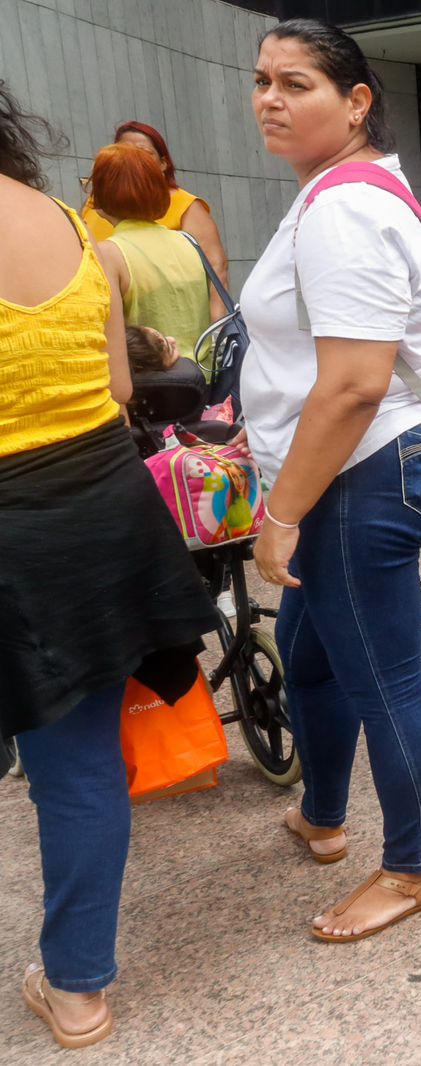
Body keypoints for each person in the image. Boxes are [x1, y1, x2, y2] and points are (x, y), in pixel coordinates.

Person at [0, 81, 215, 1049]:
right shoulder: (66, 226)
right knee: (77, 764)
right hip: (101, 503)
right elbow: (119, 386)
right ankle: (79, 986)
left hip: (17, 521)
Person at [240, 18, 421, 942]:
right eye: (262, 82)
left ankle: (412, 870)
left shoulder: (342, 209)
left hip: (357, 477)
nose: (271, 100)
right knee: (311, 649)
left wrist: (281, 511)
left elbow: (359, 380)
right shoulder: (343, 193)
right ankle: (323, 815)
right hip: (347, 471)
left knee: (382, 682)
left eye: (298, 84)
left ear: (357, 100)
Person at [81, 120, 228, 319]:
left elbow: (216, 269)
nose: (134, 161)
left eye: (143, 153)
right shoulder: (93, 206)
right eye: (124, 152)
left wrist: (217, 329)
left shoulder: (184, 205)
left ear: (163, 163)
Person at [90, 145, 213, 373]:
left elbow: (109, 336)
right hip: (205, 379)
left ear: (100, 194)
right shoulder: (187, 242)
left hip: (156, 387)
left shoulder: (109, 253)